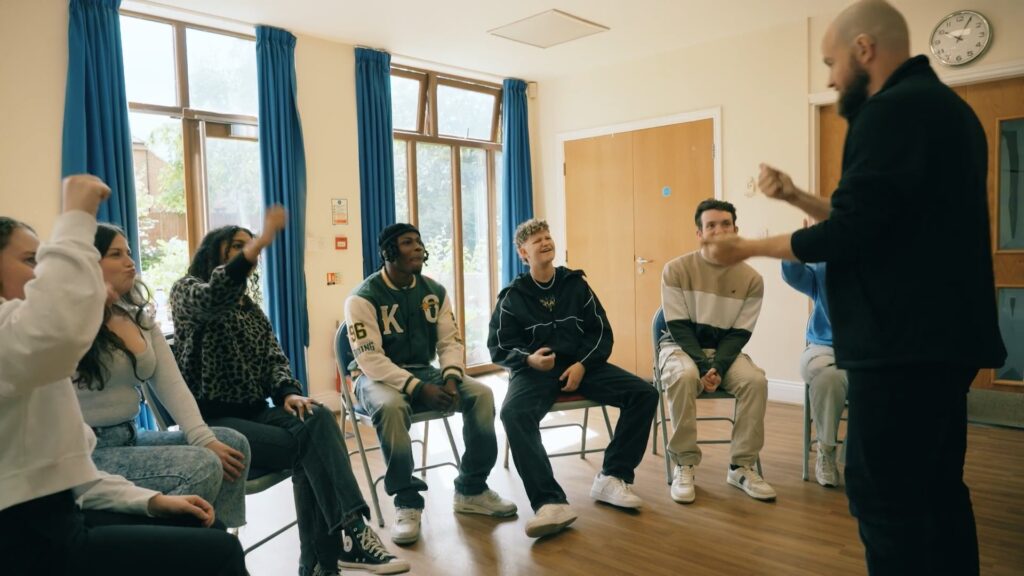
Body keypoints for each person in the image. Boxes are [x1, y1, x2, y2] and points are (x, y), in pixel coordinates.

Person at [702, 2, 1006, 573]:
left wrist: (743, 248)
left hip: (900, 345)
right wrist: (795, 197)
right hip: (944, 342)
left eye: (831, 62)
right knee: (939, 492)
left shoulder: (888, 112)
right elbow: (882, 217)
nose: (831, 78)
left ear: (864, 49)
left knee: (885, 499)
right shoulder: (947, 110)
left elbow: (850, 233)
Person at [0, 174, 247, 576]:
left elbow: (74, 471)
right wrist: (77, 215)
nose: (40, 273)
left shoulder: (126, 319)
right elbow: (56, 330)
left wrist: (150, 501)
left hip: (70, 506)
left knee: (209, 524)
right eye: (32, 261)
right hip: (29, 538)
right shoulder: (32, 337)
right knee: (216, 549)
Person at [170, 209, 408, 576]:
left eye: (250, 247)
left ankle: (326, 557)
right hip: (211, 421)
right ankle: (342, 543)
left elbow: (273, 357)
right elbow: (213, 297)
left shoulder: (250, 308)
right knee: (312, 450)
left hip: (255, 412)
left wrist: (286, 392)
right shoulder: (187, 292)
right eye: (237, 247)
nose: (247, 253)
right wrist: (260, 243)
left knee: (315, 414)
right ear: (213, 254)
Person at [345, 223, 516, 546]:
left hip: (424, 371)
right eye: (408, 243)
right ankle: (407, 501)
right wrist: (419, 388)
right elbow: (371, 360)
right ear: (389, 252)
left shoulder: (434, 291)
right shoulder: (361, 298)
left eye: (419, 242)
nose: (418, 248)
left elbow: (449, 341)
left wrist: (451, 378)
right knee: (392, 406)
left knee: (481, 394)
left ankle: (472, 489)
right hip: (373, 377)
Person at [488, 218, 658, 538]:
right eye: (536, 240)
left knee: (644, 393)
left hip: (582, 365)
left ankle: (612, 477)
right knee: (513, 413)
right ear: (523, 253)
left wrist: (582, 363)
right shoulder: (513, 296)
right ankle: (550, 503)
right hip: (534, 371)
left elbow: (601, 332)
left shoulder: (575, 284)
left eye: (547, 236)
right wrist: (528, 359)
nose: (544, 242)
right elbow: (497, 346)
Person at [75, 223, 251, 528]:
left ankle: (218, 543)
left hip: (129, 436)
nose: (130, 261)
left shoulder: (138, 317)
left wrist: (203, 437)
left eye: (129, 252)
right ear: (89, 262)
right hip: (91, 451)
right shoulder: (68, 321)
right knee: (202, 466)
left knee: (231, 443)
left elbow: (172, 384)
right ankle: (179, 552)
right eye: (116, 254)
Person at [658, 199, 775, 504]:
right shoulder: (676, 269)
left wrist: (718, 368)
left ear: (735, 230)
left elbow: (739, 334)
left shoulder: (752, 279)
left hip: (724, 352)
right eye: (711, 225)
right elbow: (678, 327)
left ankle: (741, 466)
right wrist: (701, 365)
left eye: (725, 224)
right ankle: (684, 462)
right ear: (699, 233)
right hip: (679, 349)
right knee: (684, 377)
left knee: (755, 382)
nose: (719, 230)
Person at [781, 260, 847, 487]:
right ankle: (826, 451)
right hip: (825, 346)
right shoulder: (824, 263)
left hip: (873, 349)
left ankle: (859, 454)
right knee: (828, 377)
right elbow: (793, 275)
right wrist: (797, 246)